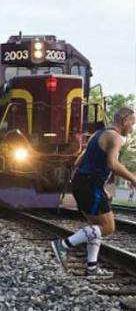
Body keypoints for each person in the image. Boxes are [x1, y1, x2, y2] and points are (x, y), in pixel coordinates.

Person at [52, 107, 136, 278]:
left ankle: (91, 268)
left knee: (96, 227)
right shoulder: (115, 137)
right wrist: (133, 178)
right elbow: (113, 164)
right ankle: (63, 245)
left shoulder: (98, 134)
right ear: (124, 121)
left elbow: (79, 161)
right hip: (90, 185)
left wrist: (100, 184)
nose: (132, 127)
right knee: (108, 227)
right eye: (132, 123)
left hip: (83, 184)